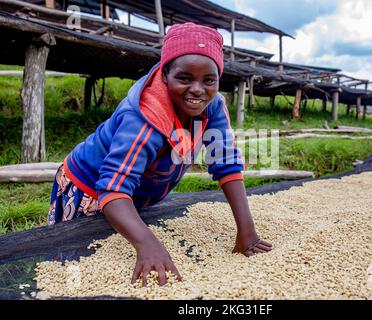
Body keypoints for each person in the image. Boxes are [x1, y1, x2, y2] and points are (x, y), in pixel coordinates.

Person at [47, 22, 272, 287]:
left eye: (209, 80)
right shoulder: (143, 118)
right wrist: (148, 244)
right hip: (87, 189)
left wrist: (247, 232)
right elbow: (113, 190)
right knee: (74, 269)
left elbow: (226, 164)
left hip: (131, 195)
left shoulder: (212, 106)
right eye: (184, 78)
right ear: (165, 74)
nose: (198, 90)